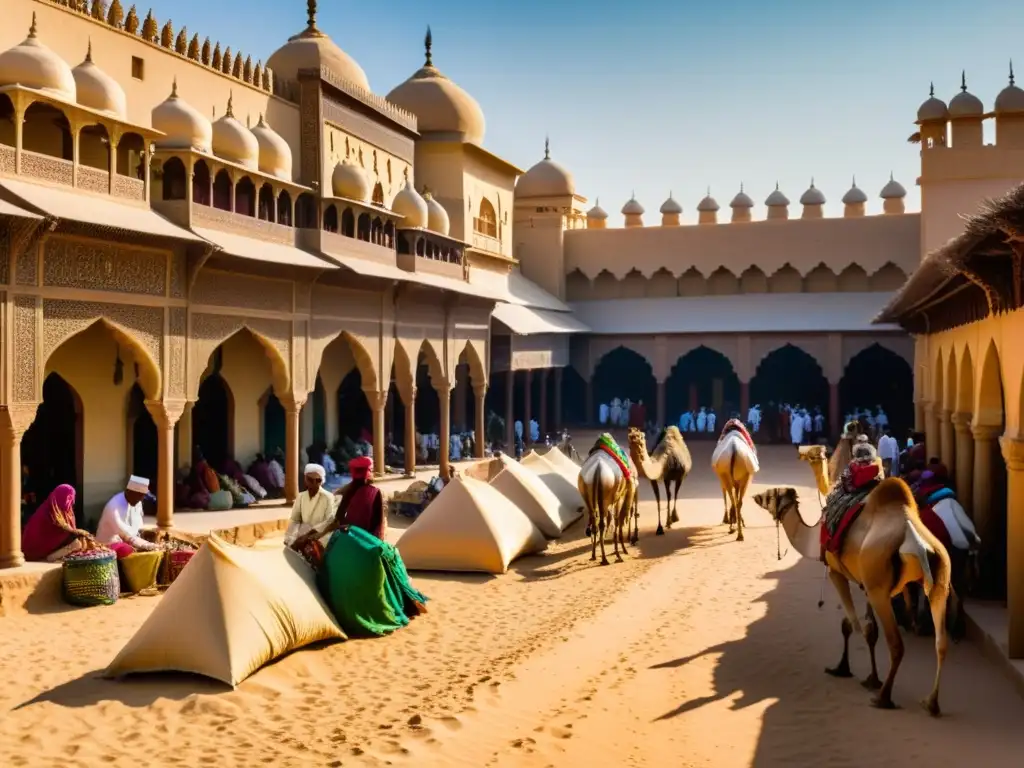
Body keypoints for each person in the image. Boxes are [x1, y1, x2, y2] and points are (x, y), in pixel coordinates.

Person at [22, 484, 98, 562]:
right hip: (35, 553)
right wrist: (78, 532)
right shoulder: (48, 512)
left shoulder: (66, 512)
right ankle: (49, 559)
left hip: (51, 547)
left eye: (72, 498)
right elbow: (62, 527)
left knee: (81, 541)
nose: (72, 501)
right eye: (69, 498)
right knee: (76, 543)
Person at [96, 475, 160, 551]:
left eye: (143, 496)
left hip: (128, 541)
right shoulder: (113, 507)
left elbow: (137, 528)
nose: (141, 499)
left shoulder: (137, 502)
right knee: (127, 550)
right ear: (129, 491)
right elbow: (125, 535)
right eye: (139, 495)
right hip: (108, 545)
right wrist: (147, 545)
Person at [285, 464, 339, 548]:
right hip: (302, 534)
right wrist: (290, 538)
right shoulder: (301, 496)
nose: (314, 483)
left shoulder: (328, 497)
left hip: (320, 536)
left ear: (322, 481)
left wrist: (308, 536)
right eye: (310, 479)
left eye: (318, 480)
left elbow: (329, 521)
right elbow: (295, 520)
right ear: (305, 479)